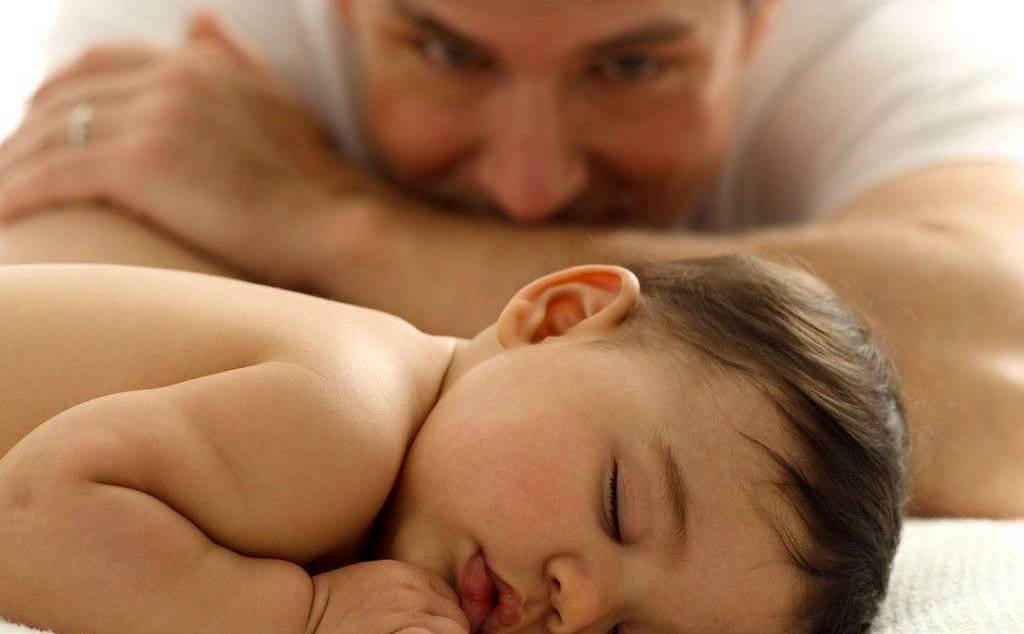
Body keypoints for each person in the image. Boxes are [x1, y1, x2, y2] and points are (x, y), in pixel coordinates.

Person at [0, 0, 1021, 516]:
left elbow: (1002, 390)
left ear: (759, 24)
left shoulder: (871, 38)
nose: (530, 184)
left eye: (632, 66)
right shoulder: (209, 28)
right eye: (447, 52)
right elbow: (44, 386)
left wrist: (334, 221)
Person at [0, 256, 905, 634]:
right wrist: (297, 616)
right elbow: (32, 512)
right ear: (560, 319)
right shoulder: (340, 419)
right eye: (619, 505)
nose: (578, 605)